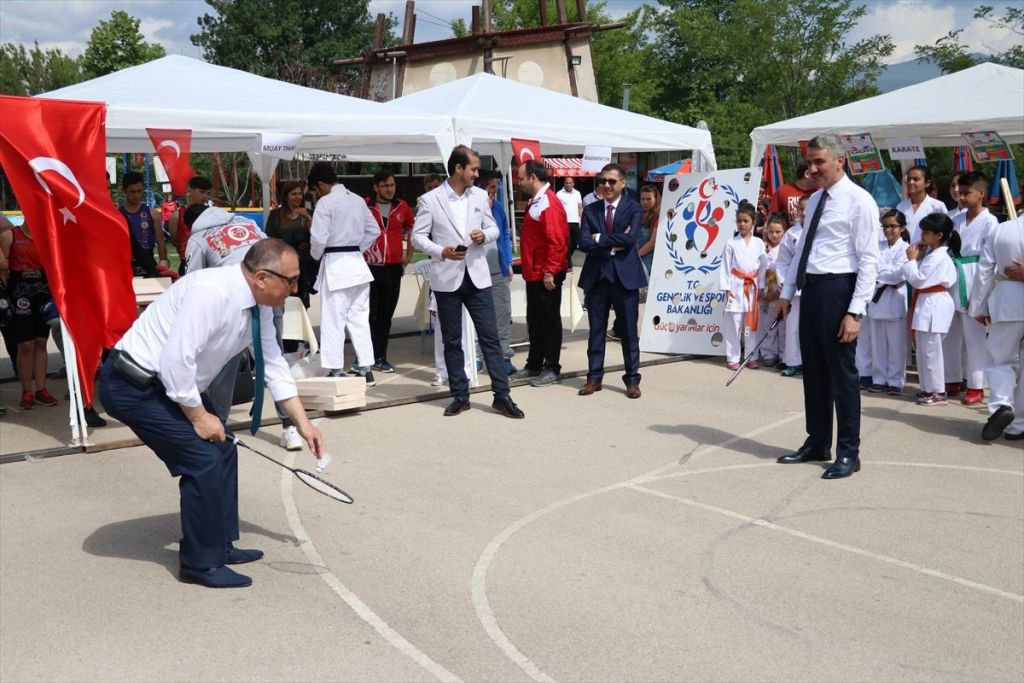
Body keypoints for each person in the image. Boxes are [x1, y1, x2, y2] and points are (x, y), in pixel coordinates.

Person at [99, 239, 325, 589]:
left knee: (224, 447)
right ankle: (200, 564)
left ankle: (220, 543)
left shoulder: (258, 303)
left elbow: (274, 362)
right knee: (202, 458)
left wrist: (303, 422)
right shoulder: (211, 292)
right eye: (291, 280)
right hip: (133, 385)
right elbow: (177, 361)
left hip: (170, 383)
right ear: (262, 277)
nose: (295, 288)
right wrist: (199, 416)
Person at [777, 134, 880, 480]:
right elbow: (801, 250)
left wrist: (855, 312)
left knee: (842, 376)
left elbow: (869, 260)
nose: (813, 168)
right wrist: (786, 294)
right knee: (815, 372)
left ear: (841, 160)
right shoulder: (816, 198)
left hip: (840, 289)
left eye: (820, 161)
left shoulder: (858, 201)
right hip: (812, 289)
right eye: (810, 161)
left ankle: (849, 451)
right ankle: (818, 440)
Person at [410, 145, 525, 419]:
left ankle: (502, 395)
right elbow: (417, 237)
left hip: (477, 275)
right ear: (458, 168)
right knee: (452, 341)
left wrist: (484, 236)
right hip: (446, 277)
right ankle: (460, 396)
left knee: (490, 338)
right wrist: (441, 251)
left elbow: (496, 228)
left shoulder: (481, 195)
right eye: (473, 168)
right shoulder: (430, 199)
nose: (477, 173)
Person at [577, 162, 646, 399]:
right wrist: (612, 241)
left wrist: (599, 239)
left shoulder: (634, 209)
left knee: (628, 332)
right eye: (603, 181)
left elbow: (631, 239)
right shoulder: (591, 209)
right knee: (596, 330)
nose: (606, 185)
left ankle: (632, 380)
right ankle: (594, 378)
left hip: (625, 278)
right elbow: (583, 243)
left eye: (612, 181)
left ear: (622, 183)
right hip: (597, 278)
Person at [307, 162, 379, 386]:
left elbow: (318, 239)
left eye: (315, 190)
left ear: (320, 184)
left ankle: (335, 368)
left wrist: (317, 256)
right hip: (357, 266)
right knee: (359, 318)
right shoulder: (358, 200)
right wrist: (357, 248)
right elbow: (374, 230)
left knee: (333, 319)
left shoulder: (325, 202)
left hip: (336, 264)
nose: (316, 194)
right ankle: (366, 369)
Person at [510, 160, 569, 387]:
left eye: (522, 178)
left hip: (545, 273)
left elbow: (557, 240)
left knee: (549, 321)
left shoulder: (548, 203)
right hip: (534, 272)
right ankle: (534, 364)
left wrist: (550, 272)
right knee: (535, 320)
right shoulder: (538, 201)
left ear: (533, 177)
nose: (520, 182)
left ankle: (552, 367)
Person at [943, 171, 998, 405]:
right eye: (959, 192)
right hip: (951, 274)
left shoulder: (990, 222)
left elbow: (989, 260)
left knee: (974, 336)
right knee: (950, 333)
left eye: (967, 193)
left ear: (981, 193)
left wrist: (982, 296)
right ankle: (952, 377)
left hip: (976, 275)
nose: (961, 197)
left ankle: (976, 384)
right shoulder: (954, 219)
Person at [971, 216, 1024, 441]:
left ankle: (1001, 405)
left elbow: (984, 271)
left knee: (1000, 360)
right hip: (1008, 296)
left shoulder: (1003, 230)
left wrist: (979, 306)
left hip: (1008, 300)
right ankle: (1019, 424)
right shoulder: (1003, 229)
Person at [0, 221, 59, 410]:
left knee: (41, 343)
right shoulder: (10, 235)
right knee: (25, 345)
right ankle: (27, 391)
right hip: (19, 295)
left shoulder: (48, 236)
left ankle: (41, 389)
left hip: (43, 294)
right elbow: (3, 268)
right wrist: (5, 297)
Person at [903, 213, 959, 406]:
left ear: (939, 235)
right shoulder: (931, 255)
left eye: (927, 232)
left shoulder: (939, 256)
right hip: (926, 302)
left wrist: (911, 260)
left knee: (931, 351)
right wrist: (916, 259)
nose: (923, 236)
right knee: (923, 350)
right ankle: (927, 388)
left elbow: (918, 279)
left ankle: (938, 391)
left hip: (934, 303)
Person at [363, 171, 415, 373]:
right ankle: (365, 356)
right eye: (385, 185)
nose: (390, 189)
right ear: (376, 187)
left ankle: (380, 356)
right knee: (369, 315)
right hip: (370, 267)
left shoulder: (402, 207)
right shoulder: (365, 206)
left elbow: (413, 230)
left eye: (392, 185)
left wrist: (408, 256)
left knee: (386, 315)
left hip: (393, 268)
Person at [478, 172, 517, 375]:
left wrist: (508, 262)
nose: (495, 192)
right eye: (492, 187)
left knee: (502, 315)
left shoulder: (499, 208)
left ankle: (504, 357)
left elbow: (505, 235)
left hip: (497, 270)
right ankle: (477, 356)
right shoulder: (471, 208)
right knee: (478, 316)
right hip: (475, 271)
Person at [867, 209, 910, 395]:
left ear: (902, 228)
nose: (888, 230)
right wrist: (883, 272)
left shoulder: (906, 248)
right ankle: (879, 378)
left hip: (895, 298)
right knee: (877, 343)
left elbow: (898, 274)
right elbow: (870, 268)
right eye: (885, 226)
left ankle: (895, 381)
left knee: (896, 344)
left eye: (893, 226)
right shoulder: (877, 246)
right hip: (876, 300)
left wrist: (881, 273)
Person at [719, 202, 766, 370]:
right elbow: (725, 266)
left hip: (752, 286)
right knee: (734, 323)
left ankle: (751, 355)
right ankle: (733, 357)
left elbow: (763, 267)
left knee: (750, 324)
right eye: (739, 221)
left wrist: (761, 285)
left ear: (753, 222)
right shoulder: (731, 243)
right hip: (736, 286)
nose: (742, 224)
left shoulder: (759, 243)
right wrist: (726, 288)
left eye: (746, 221)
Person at [265, 180, 316, 308]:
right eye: (294, 194)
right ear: (286, 197)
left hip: (303, 266)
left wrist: (309, 219)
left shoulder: (308, 213)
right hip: (282, 266)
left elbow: (316, 236)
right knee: (282, 302)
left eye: (300, 194)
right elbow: (269, 239)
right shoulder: (275, 215)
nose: (298, 197)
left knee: (301, 303)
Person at [776, 196, 808, 377]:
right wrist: (784, 282)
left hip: (815, 287)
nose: (804, 212)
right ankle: (794, 362)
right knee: (793, 327)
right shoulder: (791, 233)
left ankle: (812, 362)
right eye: (801, 209)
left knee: (813, 328)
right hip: (795, 289)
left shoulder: (821, 230)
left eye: (807, 209)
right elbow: (783, 261)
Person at [119, 171, 168, 268]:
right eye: (132, 192)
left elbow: (160, 240)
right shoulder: (117, 214)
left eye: (139, 191)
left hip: (148, 261)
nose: (136, 195)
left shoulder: (152, 213)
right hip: (125, 264)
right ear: (124, 191)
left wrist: (163, 262)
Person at [757, 213, 787, 367]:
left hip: (781, 292)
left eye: (778, 232)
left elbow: (786, 270)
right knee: (767, 324)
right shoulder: (762, 248)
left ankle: (784, 354)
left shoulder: (786, 249)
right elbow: (760, 269)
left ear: (784, 232)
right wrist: (762, 288)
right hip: (766, 292)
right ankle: (769, 352)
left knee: (782, 326)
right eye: (771, 232)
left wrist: (781, 290)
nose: (774, 235)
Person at [167, 176, 213, 267]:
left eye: (207, 193)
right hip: (186, 262)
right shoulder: (177, 215)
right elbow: (175, 241)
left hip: (208, 262)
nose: (205, 196)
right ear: (189, 190)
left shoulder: (211, 214)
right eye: (202, 192)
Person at [896, 165, 948, 243]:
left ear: (927, 183)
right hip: (904, 252)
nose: (911, 182)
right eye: (909, 179)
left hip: (929, 252)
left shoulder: (937, 206)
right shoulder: (901, 206)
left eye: (915, 179)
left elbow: (945, 231)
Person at [769, 160, 816, 227]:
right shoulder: (782, 191)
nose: (819, 176)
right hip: (789, 236)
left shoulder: (821, 192)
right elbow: (771, 219)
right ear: (807, 174)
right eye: (815, 173)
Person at [556, 176, 583, 264]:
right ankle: (568, 263)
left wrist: (581, 219)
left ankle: (566, 259)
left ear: (573, 184)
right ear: (564, 184)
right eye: (566, 183)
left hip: (575, 221)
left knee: (575, 243)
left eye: (570, 183)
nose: (568, 184)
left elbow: (580, 207)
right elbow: (557, 209)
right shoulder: (559, 194)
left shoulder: (577, 193)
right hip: (565, 222)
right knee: (568, 243)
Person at [636, 184, 661, 277]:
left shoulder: (660, 216)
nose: (645, 202)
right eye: (642, 199)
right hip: (638, 260)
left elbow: (652, 243)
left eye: (648, 199)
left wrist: (635, 255)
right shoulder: (640, 214)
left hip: (650, 262)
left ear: (656, 199)